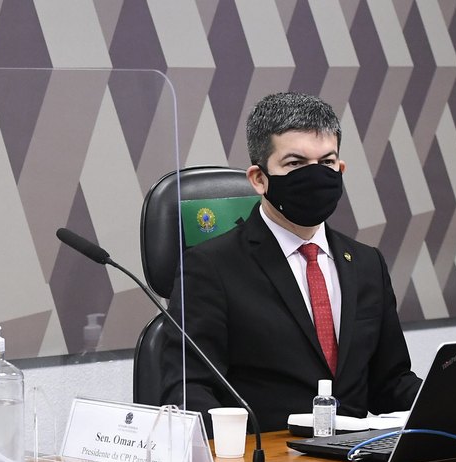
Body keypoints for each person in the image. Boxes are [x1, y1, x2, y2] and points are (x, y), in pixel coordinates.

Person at [161, 92, 421, 431]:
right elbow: (188, 391)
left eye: (326, 163)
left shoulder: (367, 263)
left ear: (340, 169)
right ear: (258, 179)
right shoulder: (211, 267)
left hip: (356, 455)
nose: (315, 176)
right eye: (295, 164)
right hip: (266, 455)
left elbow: (391, 383)